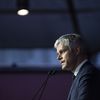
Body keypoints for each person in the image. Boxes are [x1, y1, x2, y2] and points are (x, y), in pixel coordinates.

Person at [54, 33, 100, 100]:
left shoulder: (88, 73)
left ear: (77, 51)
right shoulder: (80, 74)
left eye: (62, 52)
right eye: (58, 54)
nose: (58, 57)